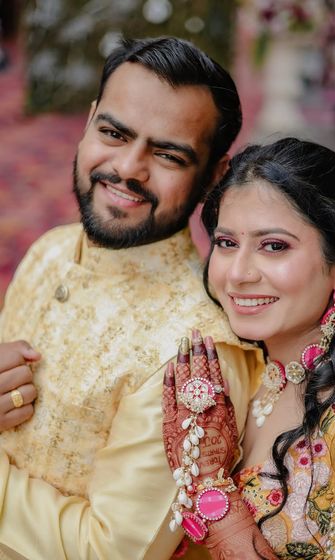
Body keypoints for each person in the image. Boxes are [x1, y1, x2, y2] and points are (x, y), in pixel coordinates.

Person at [0, 37, 264, 560]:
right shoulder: (52, 248)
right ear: (90, 120)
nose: (128, 167)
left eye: (167, 154)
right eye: (114, 132)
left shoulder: (193, 354)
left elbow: (112, 551)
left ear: (214, 175)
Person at [163, 137, 335, 559]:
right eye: (227, 243)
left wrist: (211, 486)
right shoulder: (243, 372)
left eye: (274, 246)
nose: (239, 274)